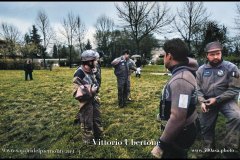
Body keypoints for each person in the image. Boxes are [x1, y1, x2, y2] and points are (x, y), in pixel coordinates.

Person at [151, 38, 199, 158]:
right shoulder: (184, 72)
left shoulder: (181, 80)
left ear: (169, 56)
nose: (163, 59)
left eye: (164, 56)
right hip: (184, 130)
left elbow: (178, 118)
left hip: (180, 133)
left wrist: (161, 145)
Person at [196, 41, 240, 158]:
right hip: (207, 101)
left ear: (221, 53)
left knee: (237, 116)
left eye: (218, 53)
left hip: (226, 100)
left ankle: (230, 149)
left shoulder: (231, 68)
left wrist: (217, 99)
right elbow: (198, 89)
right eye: (212, 54)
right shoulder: (200, 70)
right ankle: (209, 149)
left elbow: (235, 89)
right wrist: (202, 101)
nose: (215, 57)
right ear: (206, 55)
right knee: (205, 125)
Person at [72, 49, 103, 144]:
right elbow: (76, 92)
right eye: (95, 60)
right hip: (86, 102)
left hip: (94, 99)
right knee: (87, 122)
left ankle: (99, 136)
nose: (96, 62)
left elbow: (95, 82)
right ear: (89, 61)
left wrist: (95, 90)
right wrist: (90, 90)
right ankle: (88, 142)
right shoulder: (79, 73)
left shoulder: (91, 70)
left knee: (97, 119)